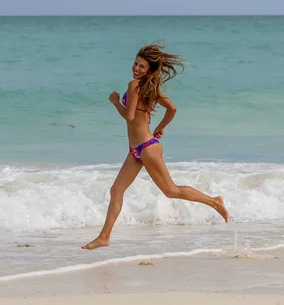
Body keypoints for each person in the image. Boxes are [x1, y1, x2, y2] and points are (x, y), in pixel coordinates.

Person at [81, 42, 229, 250]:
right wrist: (160, 127)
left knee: (171, 190)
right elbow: (172, 110)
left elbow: (129, 116)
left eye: (142, 66)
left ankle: (214, 201)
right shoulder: (151, 88)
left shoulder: (134, 85)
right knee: (116, 190)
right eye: (135, 64)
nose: (136, 68)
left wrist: (115, 101)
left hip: (146, 148)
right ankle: (104, 237)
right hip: (138, 149)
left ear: (149, 69)